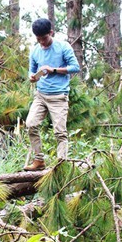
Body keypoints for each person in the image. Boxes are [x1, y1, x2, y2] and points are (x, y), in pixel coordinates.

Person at [24, 18, 80, 171]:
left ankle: (61, 166)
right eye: (38, 39)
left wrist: (54, 69)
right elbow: (32, 68)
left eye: (44, 38)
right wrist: (32, 76)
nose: (41, 42)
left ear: (51, 32)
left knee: (60, 132)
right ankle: (39, 160)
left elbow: (75, 67)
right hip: (40, 95)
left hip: (59, 96)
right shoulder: (35, 50)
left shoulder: (63, 47)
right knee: (30, 125)